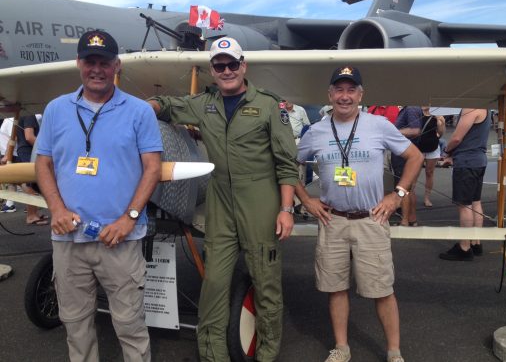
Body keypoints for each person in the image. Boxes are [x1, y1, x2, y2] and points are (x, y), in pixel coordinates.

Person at [147, 37, 299, 362]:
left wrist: (286, 209)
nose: (227, 70)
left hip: (260, 198)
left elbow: (287, 164)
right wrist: (142, 108)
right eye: (220, 65)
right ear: (213, 71)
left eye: (232, 64)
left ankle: (267, 354)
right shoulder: (205, 103)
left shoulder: (269, 105)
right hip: (220, 200)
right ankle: (213, 355)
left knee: (265, 280)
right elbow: (170, 106)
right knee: (214, 283)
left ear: (243, 66)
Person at [35, 30, 163, 362]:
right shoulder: (56, 110)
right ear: (79, 63)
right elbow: (43, 163)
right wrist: (57, 209)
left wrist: (128, 218)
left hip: (120, 238)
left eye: (104, 62)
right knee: (75, 325)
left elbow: (152, 168)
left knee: (130, 325)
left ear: (116, 65)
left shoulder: (139, 111)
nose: (97, 69)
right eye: (90, 61)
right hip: (68, 238)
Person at [295, 66, 423, 362]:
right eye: (339, 90)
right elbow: (289, 165)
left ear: (361, 95)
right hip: (333, 220)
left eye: (351, 90)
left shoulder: (378, 125)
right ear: (329, 95)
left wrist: (398, 195)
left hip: (371, 219)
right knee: (335, 288)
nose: (344, 96)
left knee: (382, 289)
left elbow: (414, 156)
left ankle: (394, 352)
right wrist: (306, 200)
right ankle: (341, 348)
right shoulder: (316, 131)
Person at [439, 108, 490, 261]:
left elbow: (456, 138)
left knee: (464, 205)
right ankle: (476, 242)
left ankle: (464, 247)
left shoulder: (471, 108)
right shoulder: (485, 108)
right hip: (478, 160)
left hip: (467, 162)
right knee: (475, 201)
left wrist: (446, 152)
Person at [391, 106, 422, 226]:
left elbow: (415, 131)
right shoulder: (409, 108)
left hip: (404, 154)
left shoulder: (411, 108)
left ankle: (404, 221)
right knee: (409, 189)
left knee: (403, 188)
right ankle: (411, 219)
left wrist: (393, 132)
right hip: (406, 153)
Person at [16, 114, 49, 225]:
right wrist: (46, 148)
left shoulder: (28, 115)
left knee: (31, 182)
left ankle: (33, 213)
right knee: (30, 182)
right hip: (28, 150)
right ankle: (31, 215)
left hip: (25, 149)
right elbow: (29, 137)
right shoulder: (30, 115)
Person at [420, 106, 445, 207]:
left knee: (429, 172)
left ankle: (427, 198)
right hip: (418, 147)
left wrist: (440, 124)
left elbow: (441, 133)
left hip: (432, 146)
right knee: (413, 173)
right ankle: (408, 196)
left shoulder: (437, 116)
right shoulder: (416, 114)